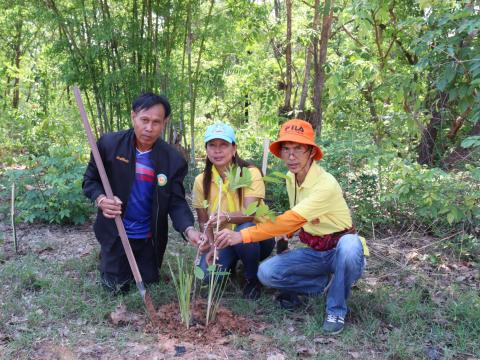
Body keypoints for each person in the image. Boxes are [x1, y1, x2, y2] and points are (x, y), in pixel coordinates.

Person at [215, 119, 369, 334]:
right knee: (266, 273)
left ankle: (336, 308)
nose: (291, 156)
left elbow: (291, 218)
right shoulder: (291, 177)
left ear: (311, 153)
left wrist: (242, 236)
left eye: (298, 149)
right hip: (317, 252)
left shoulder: (325, 184)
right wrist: (285, 237)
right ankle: (325, 284)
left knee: (351, 245)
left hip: (341, 251)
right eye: (286, 149)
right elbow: (297, 215)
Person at [83, 92, 202, 294]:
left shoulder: (173, 159)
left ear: (165, 122)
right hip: (116, 232)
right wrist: (102, 199)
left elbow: (176, 202)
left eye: (156, 122)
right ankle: (109, 257)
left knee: (149, 283)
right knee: (115, 288)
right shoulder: (109, 145)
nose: (149, 128)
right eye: (144, 120)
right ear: (133, 116)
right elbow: (90, 181)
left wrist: (189, 229)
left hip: (149, 237)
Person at [192, 122, 275, 300]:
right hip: (223, 239)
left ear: (234, 148)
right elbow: (203, 220)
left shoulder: (250, 173)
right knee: (207, 278)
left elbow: (249, 213)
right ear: (206, 149)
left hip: (257, 238)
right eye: (212, 145)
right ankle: (229, 266)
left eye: (223, 145)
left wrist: (226, 217)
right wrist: (212, 245)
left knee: (244, 227)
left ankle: (251, 278)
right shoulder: (201, 181)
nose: (218, 151)